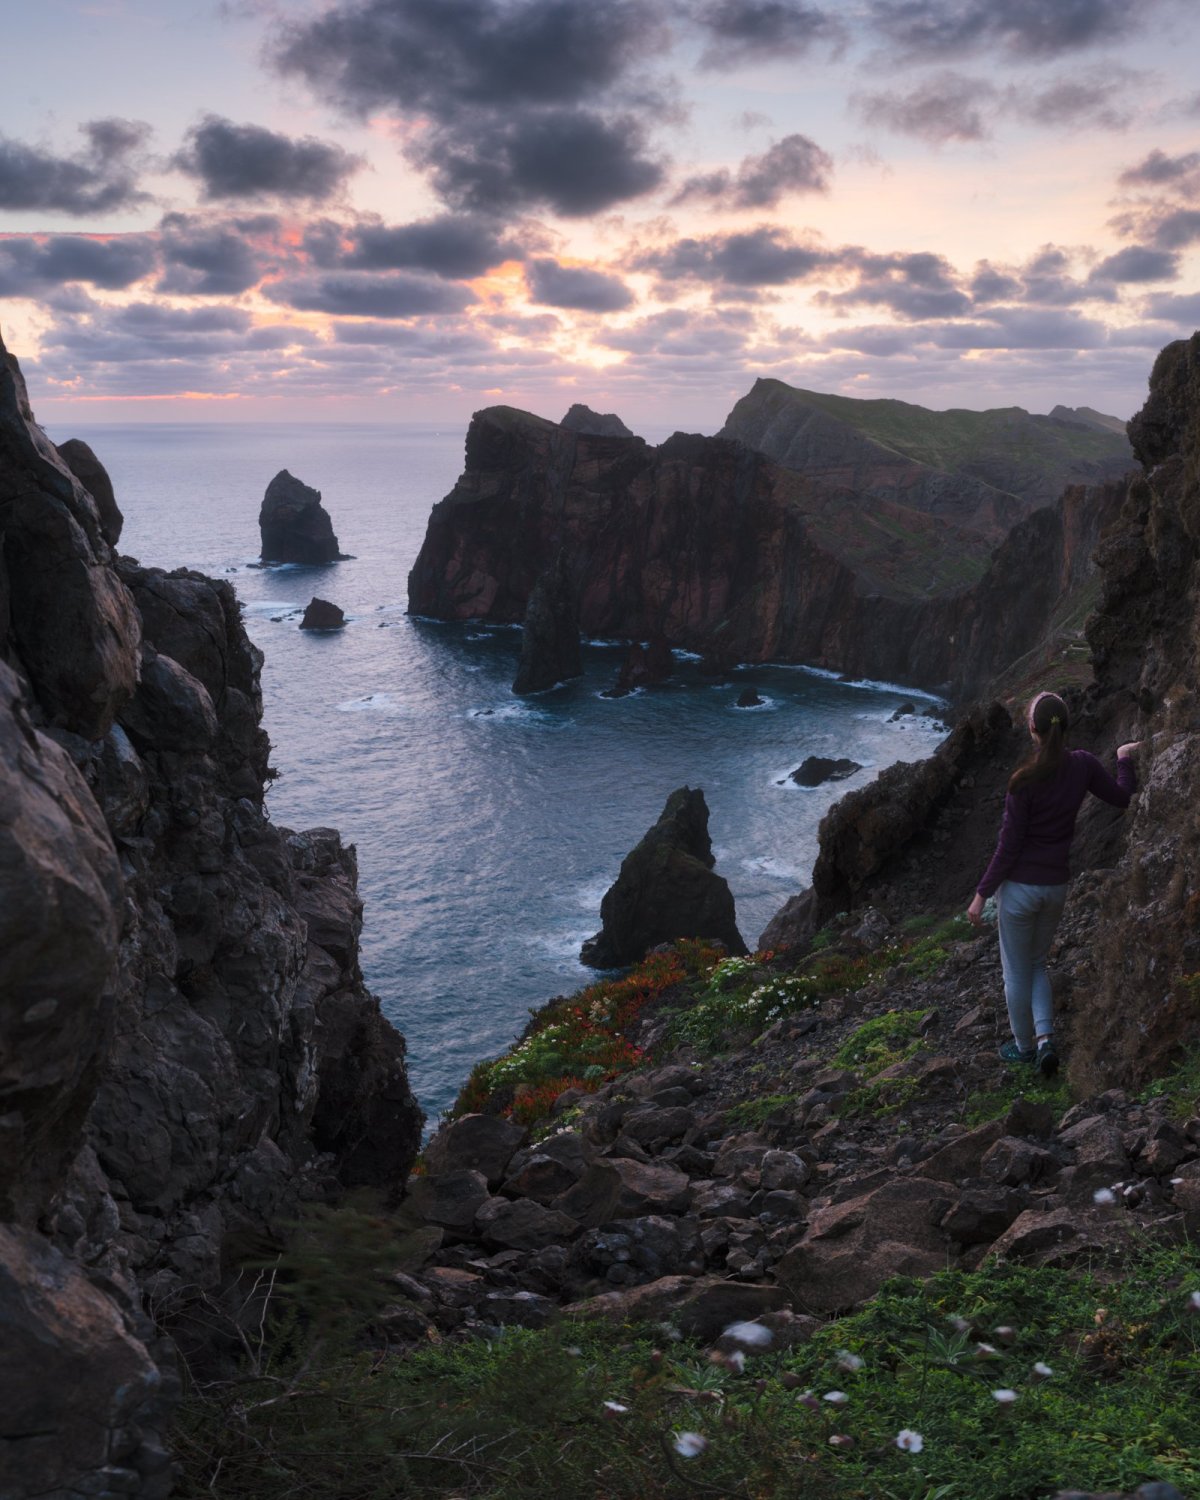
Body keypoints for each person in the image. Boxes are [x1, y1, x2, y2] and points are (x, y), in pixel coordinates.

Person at [966, 691, 1141, 1076]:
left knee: (1016, 971)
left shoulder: (1023, 782)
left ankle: (1025, 1046)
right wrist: (1124, 759)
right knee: (1037, 964)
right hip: (1056, 887)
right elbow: (1123, 797)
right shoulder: (1083, 765)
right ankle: (1046, 1041)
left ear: (1033, 729)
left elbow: (1008, 849)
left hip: (1019, 891)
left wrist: (981, 895)